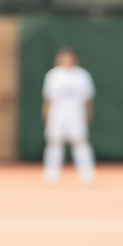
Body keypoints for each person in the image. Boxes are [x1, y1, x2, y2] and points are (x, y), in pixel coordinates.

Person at [41, 47, 96, 185]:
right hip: (57, 114)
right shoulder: (52, 75)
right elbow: (48, 99)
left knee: (80, 142)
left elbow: (87, 100)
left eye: (69, 57)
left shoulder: (82, 75)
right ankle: (51, 176)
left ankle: (87, 175)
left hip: (76, 114)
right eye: (63, 57)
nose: (66, 60)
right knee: (54, 143)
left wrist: (88, 115)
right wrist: (46, 115)